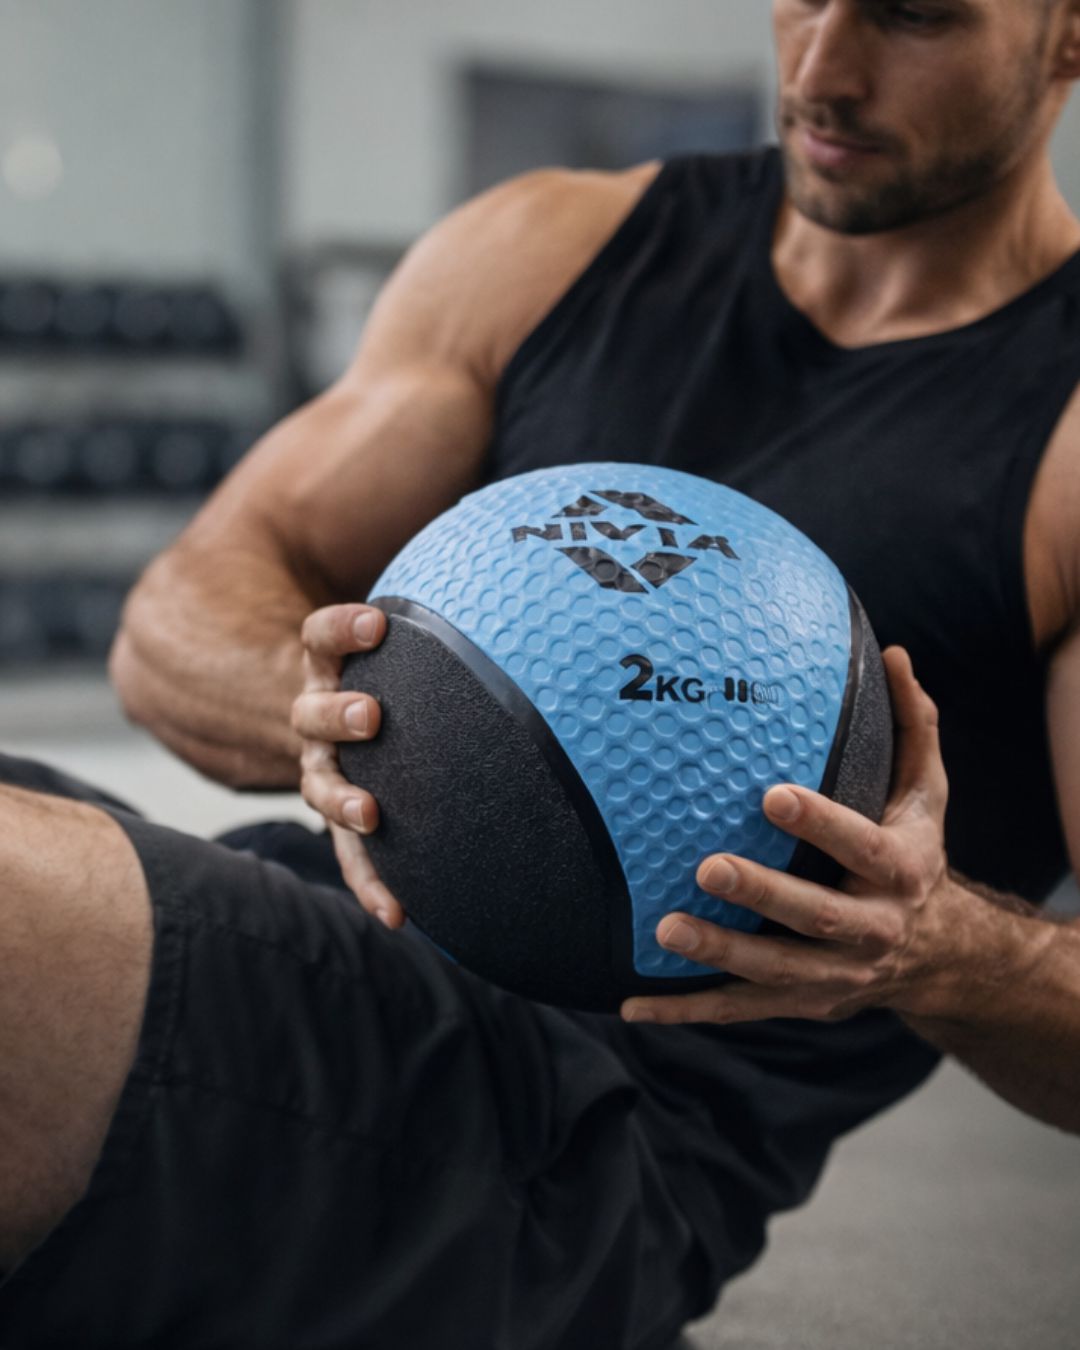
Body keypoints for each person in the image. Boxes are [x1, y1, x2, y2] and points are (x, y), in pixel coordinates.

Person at [3, 0, 1080, 1345]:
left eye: (915, 13)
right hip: (297, 917)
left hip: (570, 1138)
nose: (822, 67)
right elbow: (175, 614)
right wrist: (368, 723)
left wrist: (943, 950)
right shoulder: (553, 249)